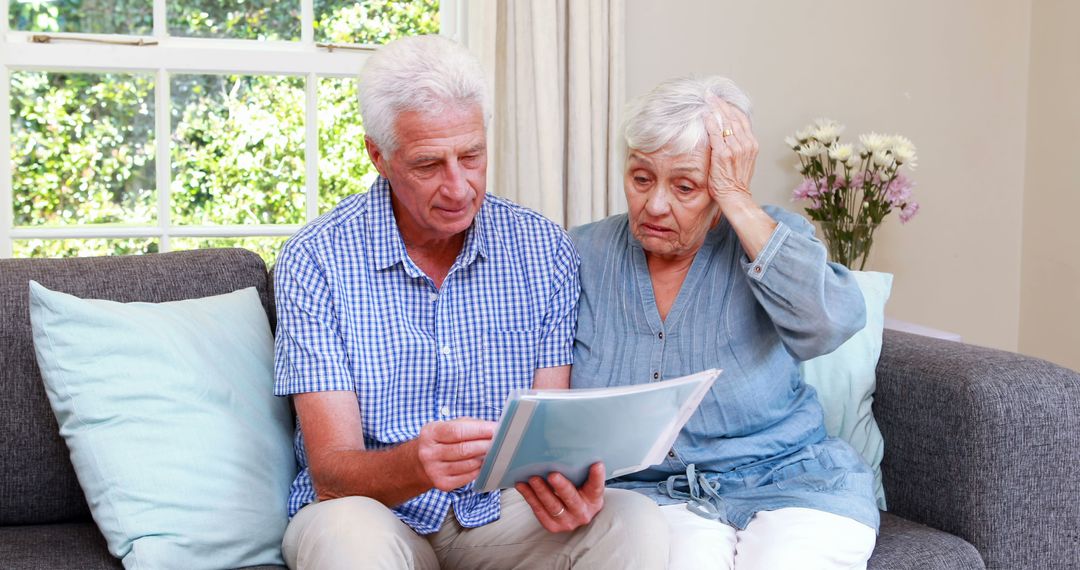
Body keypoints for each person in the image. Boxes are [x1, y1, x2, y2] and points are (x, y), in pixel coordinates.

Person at [272, 35, 668, 570]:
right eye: (429, 164)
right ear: (378, 156)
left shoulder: (543, 249)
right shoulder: (314, 260)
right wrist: (416, 464)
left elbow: (551, 435)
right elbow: (332, 472)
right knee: (347, 537)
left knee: (634, 522)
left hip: (499, 510)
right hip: (369, 509)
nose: (458, 187)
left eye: (472, 156)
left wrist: (567, 485)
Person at [569, 75, 880, 569]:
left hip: (791, 479)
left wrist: (736, 199)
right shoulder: (583, 253)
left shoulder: (771, 236)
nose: (654, 205)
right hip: (652, 497)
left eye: (686, 186)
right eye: (641, 178)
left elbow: (829, 325)